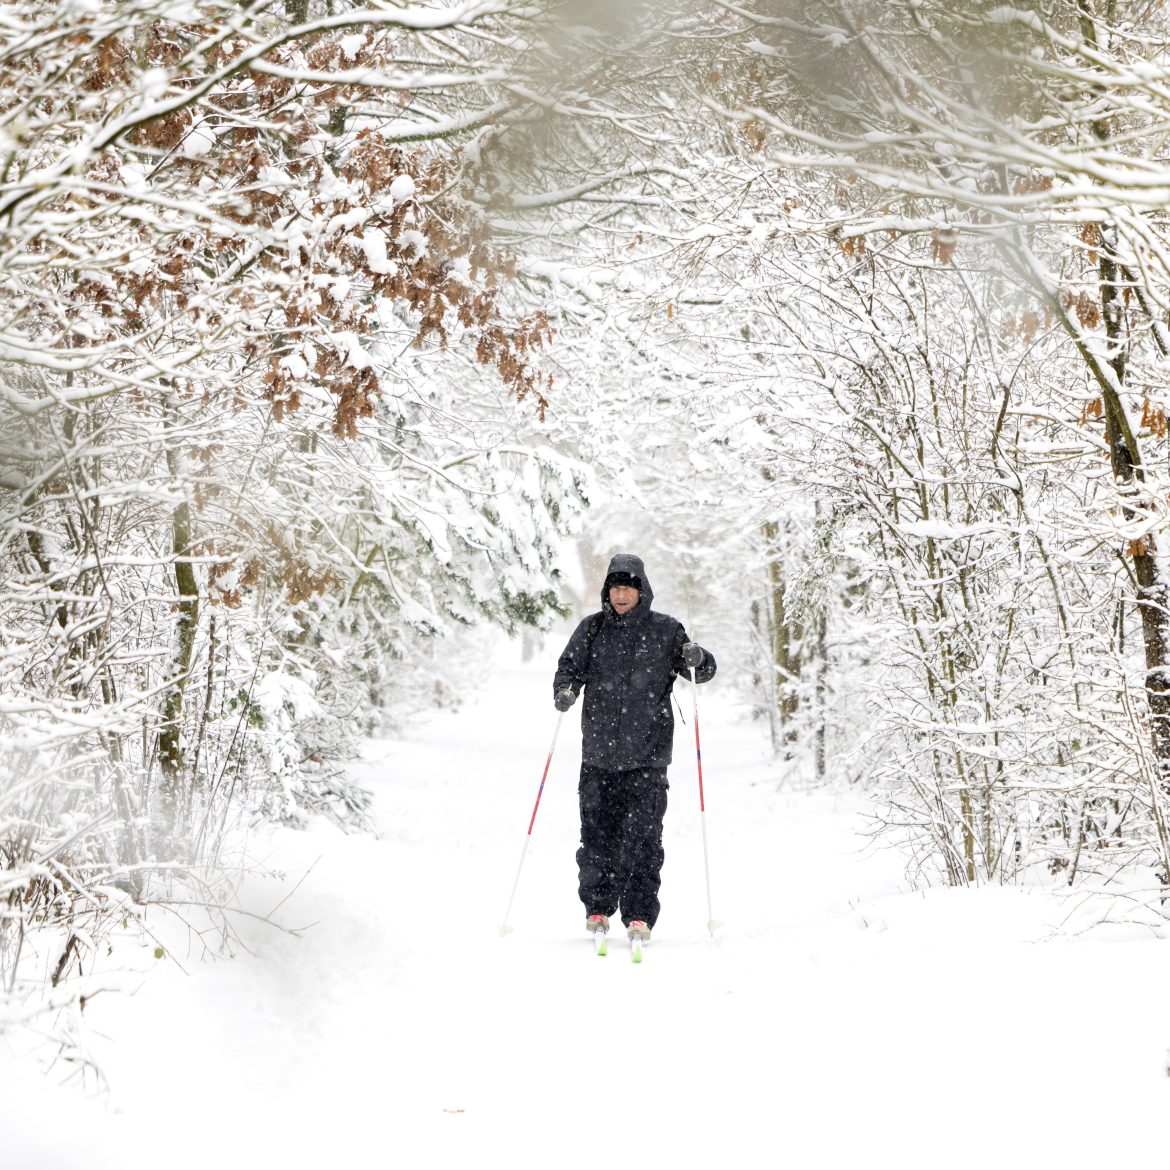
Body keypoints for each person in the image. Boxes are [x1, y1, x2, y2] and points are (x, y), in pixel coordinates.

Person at [553, 553, 716, 947]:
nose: (621, 594)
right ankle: (597, 907)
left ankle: (640, 913)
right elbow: (568, 668)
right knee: (597, 838)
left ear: (642, 591)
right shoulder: (592, 631)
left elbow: (702, 670)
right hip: (598, 759)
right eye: (615, 587)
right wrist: (565, 690)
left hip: (648, 759)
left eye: (628, 587)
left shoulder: (666, 631)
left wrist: (699, 658)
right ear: (608, 591)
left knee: (644, 840)